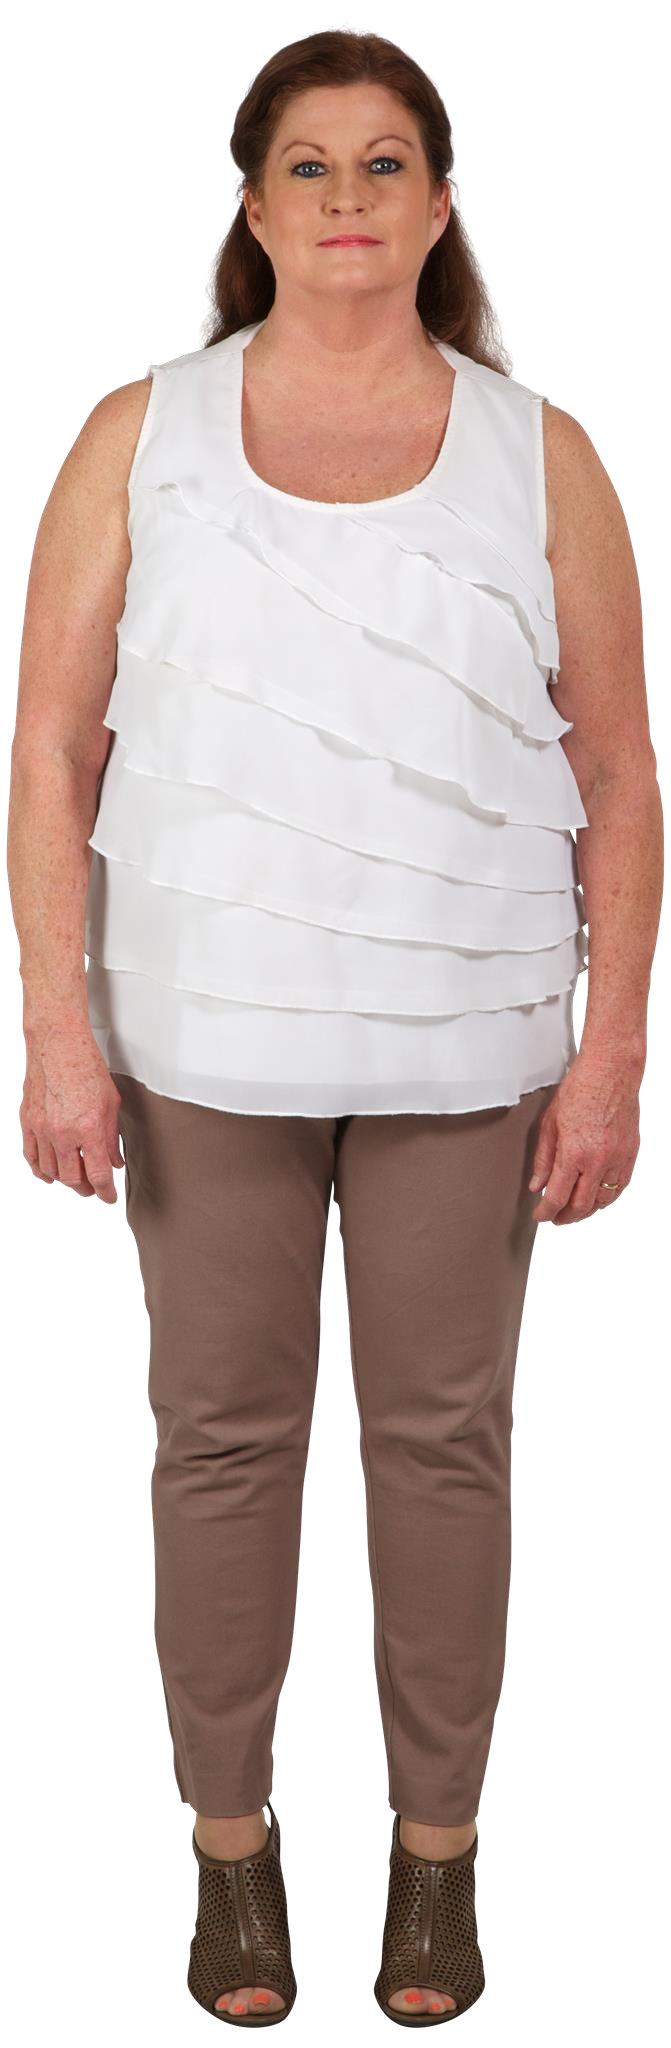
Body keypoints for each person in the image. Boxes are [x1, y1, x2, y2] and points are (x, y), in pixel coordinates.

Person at [9, 57, 659, 2032]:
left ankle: (434, 1872)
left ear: (441, 201)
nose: (348, 194)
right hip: (200, 1039)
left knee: (443, 1445)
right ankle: (234, 1861)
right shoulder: (142, 434)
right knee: (218, 1441)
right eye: (309, 164)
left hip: (469, 1037)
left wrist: (610, 1049)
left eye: (385, 163)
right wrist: (55, 1025)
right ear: (254, 204)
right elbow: (49, 752)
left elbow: (617, 773)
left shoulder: (538, 454)